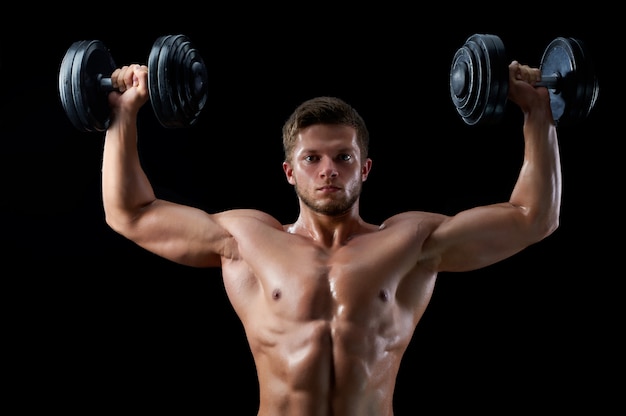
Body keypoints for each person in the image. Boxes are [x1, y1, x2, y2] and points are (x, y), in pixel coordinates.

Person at [102, 58, 560, 415]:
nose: (328, 171)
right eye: (311, 159)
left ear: (364, 169)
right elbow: (131, 213)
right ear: (289, 172)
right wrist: (123, 115)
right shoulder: (246, 240)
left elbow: (532, 217)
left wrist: (538, 112)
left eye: (343, 157)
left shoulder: (411, 241)